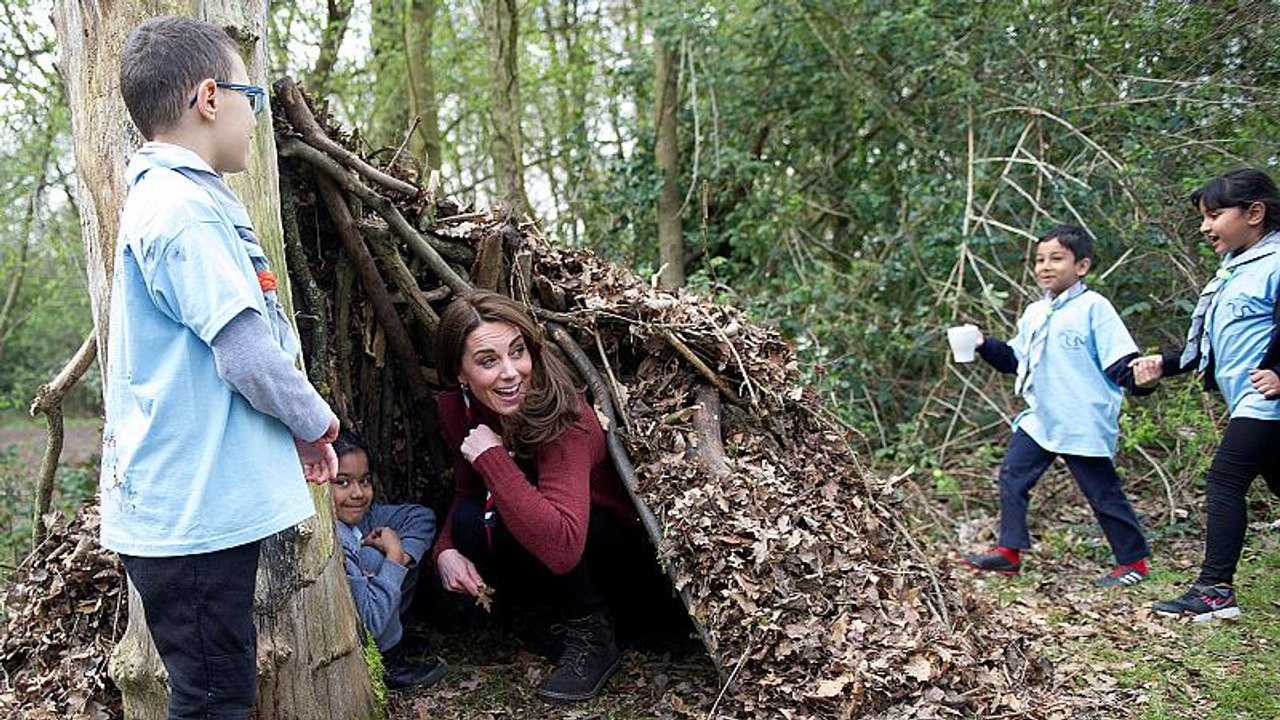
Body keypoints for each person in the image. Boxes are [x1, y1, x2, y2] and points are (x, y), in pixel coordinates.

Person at [98, 15, 340, 720]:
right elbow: (244, 354)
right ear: (210, 97)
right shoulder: (181, 210)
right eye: (252, 99)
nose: (256, 117)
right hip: (189, 519)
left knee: (217, 688)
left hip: (196, 513)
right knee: (213, 699)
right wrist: (315, 419)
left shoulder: (185, 200)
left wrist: (291, 434)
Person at [431, 290, 644, 704]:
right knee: (472, 520)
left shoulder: (564, 415)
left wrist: (492, 456)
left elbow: (564, 546)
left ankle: (592, 631)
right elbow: (467, 492)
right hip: (550, 551)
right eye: (488, 361)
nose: (511, 373)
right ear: (460, 373)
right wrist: (445, 550)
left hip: (612, 559)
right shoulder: (461, 410)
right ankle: (549, 618)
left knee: (549, 518)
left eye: (517, 352)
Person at [960, 225, 1153, 586]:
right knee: (1012, 476)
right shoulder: (1035, 312)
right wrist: (983, 343)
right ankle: (1008, 552)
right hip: (1042, 417)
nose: (1045, 267)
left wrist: (1143, 380)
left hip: (1080, 417)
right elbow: (1015, 360)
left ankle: (1133, 563)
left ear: (1081, 266)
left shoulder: (1094, 307)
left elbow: (1120, 362)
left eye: (1056, 259)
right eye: (1040, 259)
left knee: (1101, 491)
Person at [1132, 168, 1280, 621]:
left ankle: (1215, 589)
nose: (1205, 226)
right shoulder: (1235, 271)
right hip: (1251, 402)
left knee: (1225, 480)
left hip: (1267, 402)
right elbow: (1214, 346)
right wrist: (1166, 363)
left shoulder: (1276, 263)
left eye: (1215, 215)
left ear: (1254, 213)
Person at [331, 431, 447, 689]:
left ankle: (394, 635)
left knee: (383, 549)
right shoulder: (335, 536)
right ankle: (386, 661)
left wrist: (402, 555)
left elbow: (421, 517)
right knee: (374, 556)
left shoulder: (364, 518)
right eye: (342, 482)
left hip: (372, 619)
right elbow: (369, 624)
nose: (358, 493)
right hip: (354, 640)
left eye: (365, 481)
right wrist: (392, 558)